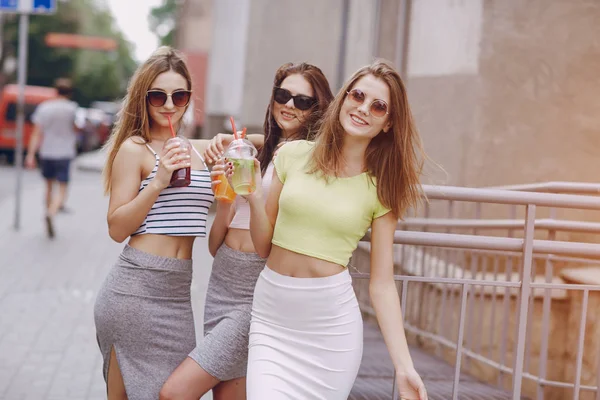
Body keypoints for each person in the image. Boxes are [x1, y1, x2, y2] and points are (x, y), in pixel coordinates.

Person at [229, 60, 429, 400]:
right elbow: (264, 246)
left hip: (329, 330)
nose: (363, 108)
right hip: (272, 319)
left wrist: (404, 366)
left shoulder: (381, 190)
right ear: (344, 99)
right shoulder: (291, 156)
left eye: (378, 106)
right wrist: (251, 198)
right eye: (358, 96)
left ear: (388, 123)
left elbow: (382, 285)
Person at [93, 46, 263, 400]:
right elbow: (116, 228)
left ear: (188, 98)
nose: (169, 105)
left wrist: (228, 141)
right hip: (134, 290)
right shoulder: (134, 149)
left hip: (176, 295)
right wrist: (158, 180)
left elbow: (269, 143)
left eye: (179, 95)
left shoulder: (198, 149)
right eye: (158, 96)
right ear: (144, 98)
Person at [159, 62, 334, 400]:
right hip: (221, 281)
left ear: (318, 109)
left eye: (302, 101)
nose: (289, 105)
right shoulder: (258, 153)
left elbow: (267, 245)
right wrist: (225, 198)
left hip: (258, 289)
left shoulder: (308, 159)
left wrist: (252, 196)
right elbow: (214, 246)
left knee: (174, 392)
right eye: (283, 95)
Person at [25, 78, 80, 238]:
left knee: (48, 187)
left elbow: (36, 133)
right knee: (62, 188)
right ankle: (52, 212)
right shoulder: (72, 108)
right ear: (69, 93)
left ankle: (48, 211)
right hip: (64, 153)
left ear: (55, 91)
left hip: (46, 152)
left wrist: (30, 155)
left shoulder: (44, 108)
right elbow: (76, 128)